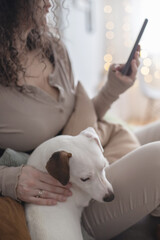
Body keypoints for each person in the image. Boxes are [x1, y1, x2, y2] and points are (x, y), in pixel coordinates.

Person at [0, 0, 159, 240]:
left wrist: (113, 89)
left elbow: (77, 125)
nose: (49, 3)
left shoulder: (52, 49)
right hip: (68, 199)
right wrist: (9, 179)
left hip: (96, 160)